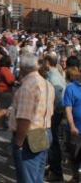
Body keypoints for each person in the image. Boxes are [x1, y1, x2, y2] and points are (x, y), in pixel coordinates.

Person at [9, 53, 55, 183]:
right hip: (45, 131)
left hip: (30, 136)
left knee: (27, 177)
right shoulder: (47, 84)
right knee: (37, 176)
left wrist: (18, 143)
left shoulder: (28, 87)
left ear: (22, 68)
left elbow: (24, 119)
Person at [44, 54, 66, 182]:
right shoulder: (53, 75)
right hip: (54, 113)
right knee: (52, 142)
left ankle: (56, 171)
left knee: (53, 142)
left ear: (48, 62)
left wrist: (52, 110)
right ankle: (53, 169)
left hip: (54, 114)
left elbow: (57, 100)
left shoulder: (54, 77)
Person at [63, 67, 81, 183]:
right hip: (76, 130)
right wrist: (72, 125)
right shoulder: (71, 88)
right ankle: (75, 177)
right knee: (73, 156)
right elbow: (68, 109)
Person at [0, 55, 15, 130]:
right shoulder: (5, 69)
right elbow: (10, 80)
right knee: (4, 109)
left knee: (2, 108)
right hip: (5, 91)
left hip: (0, 90)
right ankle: (1, 125)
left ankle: (1, 124)